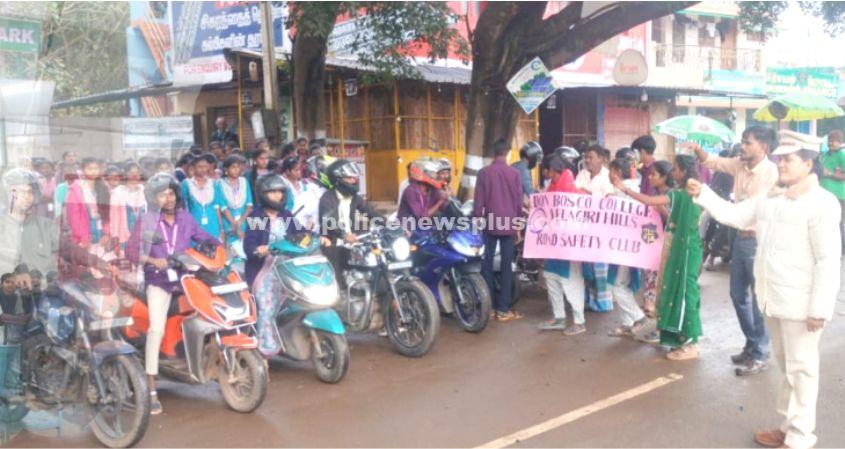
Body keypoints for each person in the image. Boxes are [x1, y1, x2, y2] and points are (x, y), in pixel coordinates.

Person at [686, 130, 840, 449]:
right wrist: (704, 194)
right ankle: (788, 427)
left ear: (808, 164)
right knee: (786, 369)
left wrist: (820, 309)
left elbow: (828, 260)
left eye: (789, 160)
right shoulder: (771, 198)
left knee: (802, 371)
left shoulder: (822, 204)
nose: (780, 164)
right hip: (773, 299)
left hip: (803, 305)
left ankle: (800, 437)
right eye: (779, 159)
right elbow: (735, 215)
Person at [125, 173, 219, 415]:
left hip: (185, 279)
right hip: (159, 281)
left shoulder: (185, 217)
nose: (168, 199)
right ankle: (151, 387)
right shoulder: (147, 220)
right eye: (162, 195)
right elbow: (131, 251)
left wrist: (221, 248)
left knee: (214, 310)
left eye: (171, 193)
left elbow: (204, 237)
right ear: (153, 198)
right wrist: (151, 260)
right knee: (156, 328)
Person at [691, 125, 778, 376]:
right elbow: (714, 162)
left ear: (763, 146)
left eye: (748, 142)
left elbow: (753, 211)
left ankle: (760, 352)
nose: (742, 146)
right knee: (738, 294)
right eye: (742, 141)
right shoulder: (740, 165)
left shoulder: (771, 173)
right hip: (739, 237)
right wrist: (698, 150)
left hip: (759, 240)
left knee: (760, 298)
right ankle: (752, 344)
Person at [612, 155, 702, 360]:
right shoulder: (685, 193)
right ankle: (679, 339)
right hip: (680, 247)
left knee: (686, 294)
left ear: (684, 172)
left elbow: (649, 201)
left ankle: (692, 343)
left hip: (686, 249)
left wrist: (624, 189)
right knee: (674, 292)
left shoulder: (684, 194)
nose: (673, 173)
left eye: (676, 169)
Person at [243, 174, 298, 356]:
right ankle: (266, 350)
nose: (277, 195)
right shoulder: (257, 216)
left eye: (280, 192)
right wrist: (259, 249)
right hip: (265, 269)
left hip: (288, 267)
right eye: (272, 192)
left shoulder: (285, 215)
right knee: (267, 308)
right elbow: (250, 244)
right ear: (263, 194)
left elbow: (300, 232)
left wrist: (317, 237)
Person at [473, 139, 524, 322]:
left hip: (490, 224)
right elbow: (518, 203)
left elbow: (478, 202)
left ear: (494, 153)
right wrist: (517, 226)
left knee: (486, 264)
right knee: (506, 266)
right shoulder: (515, 173)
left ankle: (489, 307)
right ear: (507, 153)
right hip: (508, 225)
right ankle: (503, 308)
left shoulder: (483, 173)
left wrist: (477, 218)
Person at [538, 154, 586, 335]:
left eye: (546, 170)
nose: (545, 173)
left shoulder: (569, 189)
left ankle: (579, 321)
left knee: (570, 282)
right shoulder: (552, 186)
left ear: (552, 170)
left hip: (568, 245)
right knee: (551, 277)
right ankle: (559, 317)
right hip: (554, 243)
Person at [318, 159, 383, 288]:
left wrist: (392, 226)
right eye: (349, 178)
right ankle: (341, 295)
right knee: (338, 282)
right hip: (333, 243)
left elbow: (371, 212)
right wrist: (344, 235)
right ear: (337, 180)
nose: (354, 181)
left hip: (353, 241)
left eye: (354, 178)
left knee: (375, 261)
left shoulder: (355, 198)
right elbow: (329, 222)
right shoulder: (327, 198)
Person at [606, 158, 647, 337]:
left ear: (618, 172)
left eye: (611, 170)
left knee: (617, 285)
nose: (608, 174)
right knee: (624, 284)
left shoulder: (624, 191)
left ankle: (638, 317)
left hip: (625, 245)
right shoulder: (633, 189)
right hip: (627, 245)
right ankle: (627, 323)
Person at [0, 169, 60, 278]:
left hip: (44, 286)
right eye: (20, 191)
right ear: (6, 194)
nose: (26, 196)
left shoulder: (46, 225)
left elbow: (66, 252)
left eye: (30, 192)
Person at [64, 157, 111, 250]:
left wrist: (107, 233)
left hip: (101, 229)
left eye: (96, 168)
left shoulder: (104, 187)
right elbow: (73, 218)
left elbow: (108, 214)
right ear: (83, 170)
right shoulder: (76, 189)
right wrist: (83, 237)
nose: (93, 172)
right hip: (84, 231)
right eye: (90, 169)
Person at [181, 153, 227, 242]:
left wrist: (221, 229)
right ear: (194, 167)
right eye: (199, 167)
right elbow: (184, 208)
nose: (203, 169)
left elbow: (217, 208)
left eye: (205, 167)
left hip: (213, 224)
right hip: (195, 223)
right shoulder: (186, 184)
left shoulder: (214, 183)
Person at [108, 163, 147, 251]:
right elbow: (114, 219)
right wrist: (115, 238)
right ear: (125, 174)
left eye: (137, 173)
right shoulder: (117, 193)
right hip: (124, 238)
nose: (134, 175)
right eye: (131, 172)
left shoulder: (144, 190)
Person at [819, 129, 845, 254]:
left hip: (838, 195)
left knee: (837, 223)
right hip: (822, 195)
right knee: (823, 222)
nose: (831, 143)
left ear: (840, 142)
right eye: (829, 141)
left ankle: (841, 249)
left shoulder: (842, 155)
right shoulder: (823, 155)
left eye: (834, 141)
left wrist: (829, 174)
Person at [397, 158, 447, 223]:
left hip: (425, 226)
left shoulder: (433, 190)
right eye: (432, 174)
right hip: (408, 226)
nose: (435, 177)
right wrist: (440, 201)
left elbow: (444, 209)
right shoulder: (411, 191)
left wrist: (446, 197)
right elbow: (422, 217)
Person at [280, 155, 320, 232]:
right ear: (287, 171)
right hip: (289, 223)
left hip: (306, 223)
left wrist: (311, 219)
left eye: (299, 169)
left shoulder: (305, 186)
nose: (299, 172)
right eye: (296, 170)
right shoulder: (283, 187)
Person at [219, 155, 253, 242]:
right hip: (228, 222)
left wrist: (241, 221)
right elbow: (223, 207)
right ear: (226, 169)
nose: (236, 170)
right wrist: (236, 226)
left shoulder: (244, 181)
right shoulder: (220, 183)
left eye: (238, 167)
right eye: (233, 167)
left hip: (244, 220)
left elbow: (249, 204)